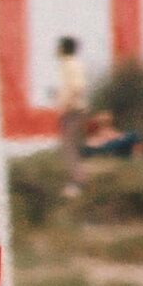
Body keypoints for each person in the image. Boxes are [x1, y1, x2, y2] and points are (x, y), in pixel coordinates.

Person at [54, 37, 87, 197]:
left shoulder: (71, 65)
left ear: (63, 48)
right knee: (69, 145)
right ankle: (76, 180)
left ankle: (78, 182)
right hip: (71, 109)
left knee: (69, 146)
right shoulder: (67, 65)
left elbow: (77, 87)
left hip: (72, 110)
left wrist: (65, 106)